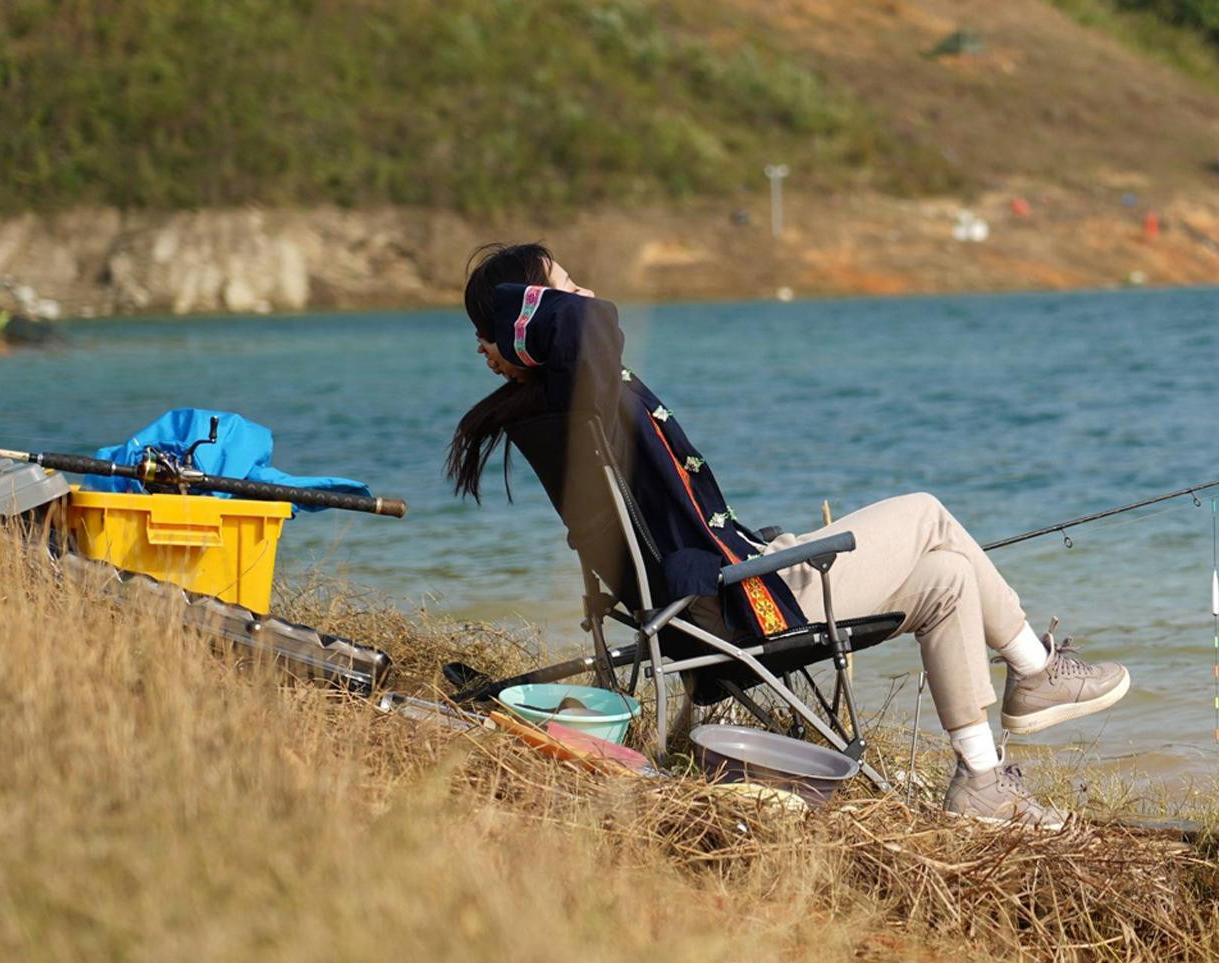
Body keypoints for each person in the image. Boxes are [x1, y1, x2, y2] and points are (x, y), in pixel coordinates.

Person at [446, 243, 1131, 826]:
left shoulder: (564, 402)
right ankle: (1037, 674)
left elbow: (583, 328)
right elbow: (588, 322)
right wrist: (516, 311)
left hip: (719, 591)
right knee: (927, 511)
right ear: (532, 309)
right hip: (742, 602)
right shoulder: (583, 387)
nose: (584, 291)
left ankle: (982, 782)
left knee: (948, 577)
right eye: (564, 283)